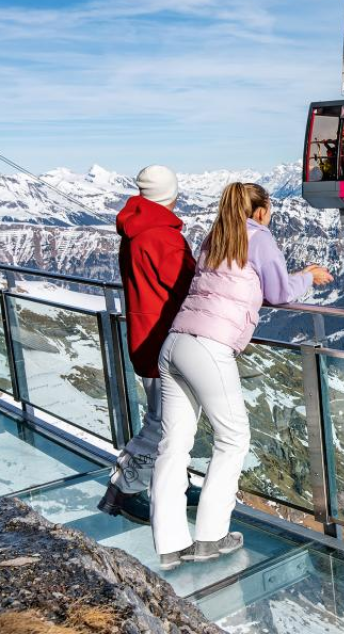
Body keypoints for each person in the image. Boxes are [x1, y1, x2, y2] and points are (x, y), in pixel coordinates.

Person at [150, 182, 333, 571]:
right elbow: (280, 291)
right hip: (210, 347)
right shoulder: (259, 237)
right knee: (233, 439)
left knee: (174, 445)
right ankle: (211, 537)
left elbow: (240, 284)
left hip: (176, 342)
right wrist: (308, 276)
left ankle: (169, 543)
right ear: (262, 211)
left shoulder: (216, 235)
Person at [98, 165, 198, 523]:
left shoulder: (136, 230)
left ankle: (175, 482)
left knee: (171, 418)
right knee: (162, 421)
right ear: (171, 192)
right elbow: (187, 286)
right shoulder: (162, 236)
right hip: (164, 338)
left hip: (145, 333)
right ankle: (126, 490)